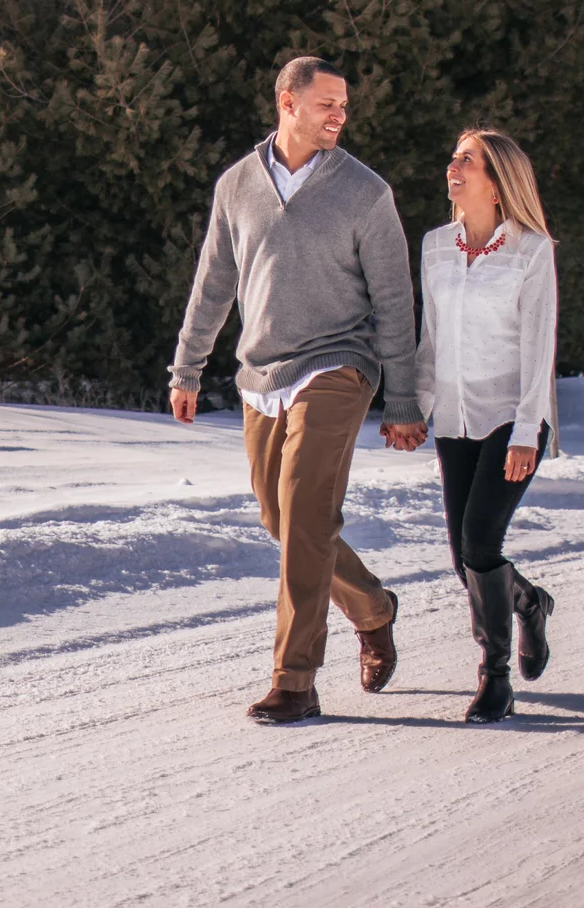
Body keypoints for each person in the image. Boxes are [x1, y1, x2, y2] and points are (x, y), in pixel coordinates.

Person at [168, 56, 426, 725]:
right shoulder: (238, 185)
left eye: (344, 106)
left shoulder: (365, 192)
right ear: (288, 103)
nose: (340, 116)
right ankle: (373, 606)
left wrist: (402, 399)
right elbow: (213, 282)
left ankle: (295, 678)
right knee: (281, 521)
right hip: (262, 373)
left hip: (339, 365)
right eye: (327, 104)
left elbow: (396, 302)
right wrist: (187, 368)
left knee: (307, 516)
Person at [417, 126, 560, 722]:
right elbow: (430, 339)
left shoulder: (532, 251)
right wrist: (413, 406)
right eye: (453, 157)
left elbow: (538, 348)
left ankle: (494, 676)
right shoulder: (434, 245)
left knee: (480, 544)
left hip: (511, 417)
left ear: (498, 185)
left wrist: (528, 431)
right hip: (455, 419)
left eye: (467, 160)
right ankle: (529, 603)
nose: (454, 167)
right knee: (464, 559)